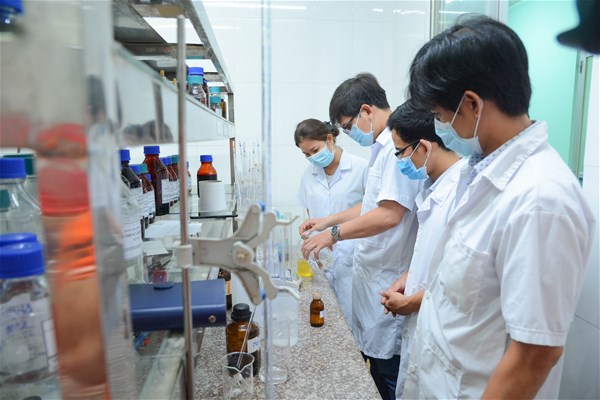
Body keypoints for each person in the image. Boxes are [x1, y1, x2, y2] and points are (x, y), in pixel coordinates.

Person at [402, 15, 595, 399]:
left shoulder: (540, 200)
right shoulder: (475, 171)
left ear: (472, 104)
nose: (440, 127)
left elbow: (534, 355)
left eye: (440, 116)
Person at [299, 73, 421, 400]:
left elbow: (390, 214)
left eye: (349, 126)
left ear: (366, 111)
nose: (350, 134)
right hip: (374, 277)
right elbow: (370, 206)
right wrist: (328, 220)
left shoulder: (396, 148)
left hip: (390, 277)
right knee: (376, 372)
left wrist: (334, 234)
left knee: (389, 375)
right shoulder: (382, 149)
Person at [377, 100, 463, 398]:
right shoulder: (433, 187)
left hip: (444, 338)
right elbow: (434, 257)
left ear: (423, 147)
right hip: (423, 326)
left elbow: (460, 280)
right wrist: (409, 277)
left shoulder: (461, 194)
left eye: (400, 152)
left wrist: (412, 302)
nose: (399, 161)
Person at [295, 118, 369, 327]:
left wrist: (330, 226)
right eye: (306, 154)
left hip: (353, 259)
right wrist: (309, 227)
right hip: (323, 260)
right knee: (324, 322)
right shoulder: (309, 174)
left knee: (354, 324)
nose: (312, 158)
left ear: (329, 139)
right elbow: (311, 211)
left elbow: (371, 210)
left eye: (314, 150)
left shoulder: (361, 168)